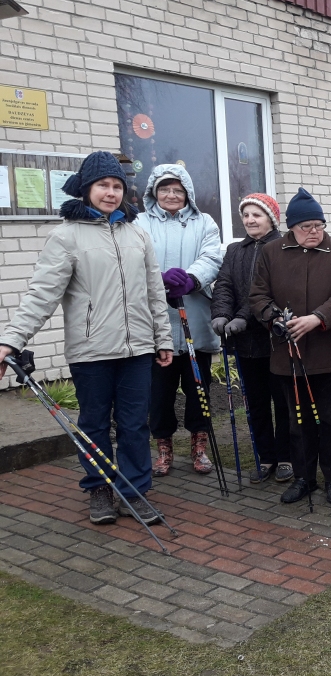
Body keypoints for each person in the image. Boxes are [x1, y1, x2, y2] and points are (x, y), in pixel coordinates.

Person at [0, 151, 173, 524]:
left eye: (116, 186)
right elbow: (41, 293)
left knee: (134, 423)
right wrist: (11, 341)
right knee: (94, 423)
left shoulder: (137, 234)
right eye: (102, 185)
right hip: (91, 351)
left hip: (138, 349)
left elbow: (153, 292)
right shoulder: (65, 236)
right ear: (86, 189)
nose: (110, 193)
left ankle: (134, 492)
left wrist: (163, 339)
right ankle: (99, 487)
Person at [249, 188, 331, 505]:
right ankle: (303, 478)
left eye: (319, 225)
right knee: (298, 422)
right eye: (306, 226)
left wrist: (317, 318)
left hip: (330, 354)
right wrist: (275, 320)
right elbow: (258, 296)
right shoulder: (271, 252)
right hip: (289, 355)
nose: (314, 232)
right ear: (291, 228)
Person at [135, 164, 223, 476]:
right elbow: (133, 260)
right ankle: (163, 449)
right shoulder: (139, 222)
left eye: (178, 190)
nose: (172, 195)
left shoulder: (204, 222)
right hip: (154, 327)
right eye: (165, 189)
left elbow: (213, 257)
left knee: (199, 391)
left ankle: (199, 448)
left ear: (187, 193)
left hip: (194, 321)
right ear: (153, 192)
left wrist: (190, 278)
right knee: (159, 396)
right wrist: (158, 279)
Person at [210, 193, 292, 484]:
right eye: (245, 215)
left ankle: (286, 457)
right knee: (255, 403)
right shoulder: (235, 250)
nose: (249, 220)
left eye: (256, 215)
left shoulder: (283, 247)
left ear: (271, 218)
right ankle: (265, 456)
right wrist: (220, 313)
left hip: (274, 339)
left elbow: (262, 291)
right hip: (244, 343)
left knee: (282, 402)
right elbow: (225, 285)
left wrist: (243, 316)